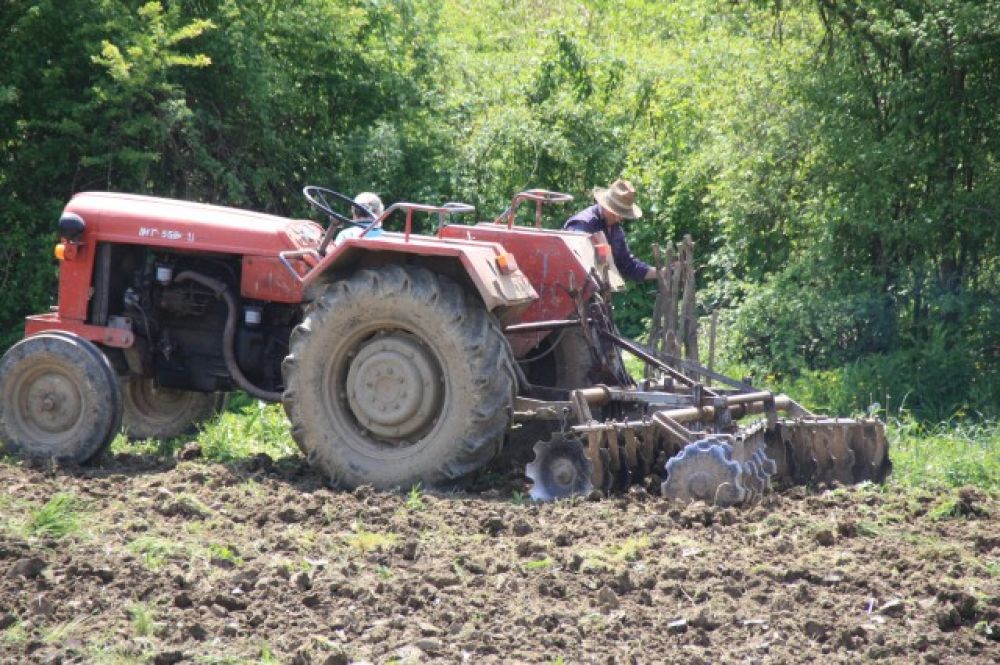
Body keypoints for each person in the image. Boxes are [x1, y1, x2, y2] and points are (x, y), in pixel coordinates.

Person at [563, 178, 656, 282]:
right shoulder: (582, 225)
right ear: (606, 205)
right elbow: (575, 265)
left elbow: (628, 266)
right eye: (615, 212)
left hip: (599, 293)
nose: (618, 218)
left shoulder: (615, 230)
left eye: (621, 214)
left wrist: (661, 272)